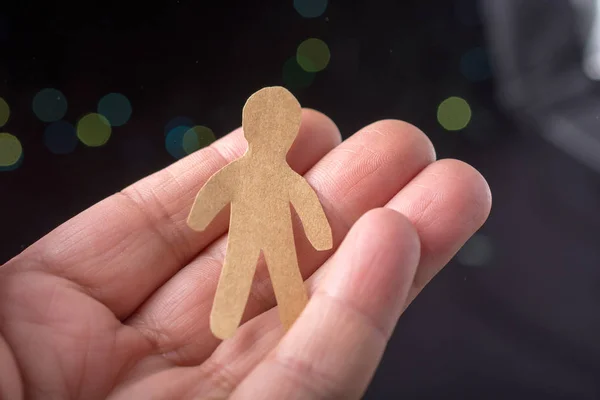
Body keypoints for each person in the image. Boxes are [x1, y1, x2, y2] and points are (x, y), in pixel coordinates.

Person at [0, 110, 491, 399]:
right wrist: (204, 215)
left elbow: (301, 201)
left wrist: (318, 233)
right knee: (240, 277)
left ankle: (296, 320)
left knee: (278, 276)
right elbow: (220, 192)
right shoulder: (253, 171)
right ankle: (286, 318)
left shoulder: (276, 173)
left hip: (274, 235)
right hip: (246, 236)